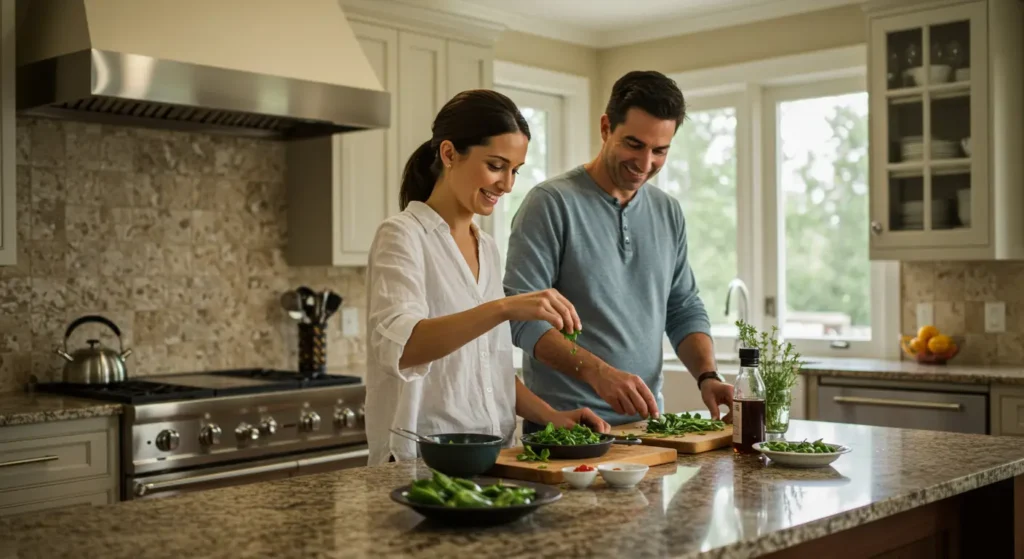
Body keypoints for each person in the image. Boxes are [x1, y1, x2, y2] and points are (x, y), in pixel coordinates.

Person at [364, 89, 610, 466]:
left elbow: (487, 366)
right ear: (449, 154)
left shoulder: (489, 248)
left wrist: (553, 419)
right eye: (496, 166)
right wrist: (504, 308)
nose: (507, 184)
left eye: (515, 170)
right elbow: (404, 348)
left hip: (495, 456)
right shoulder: (402, 235)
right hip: (422, 463)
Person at [503, 71, 734, 431]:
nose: (645, 164)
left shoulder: (668, 211)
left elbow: (683, 307)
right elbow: (523, 321)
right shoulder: (550, 204)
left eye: (660, 151)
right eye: (634, 145)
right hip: (567, 430)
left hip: (649, 429)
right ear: (606, 127)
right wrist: (599, 374)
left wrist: (708, 376)